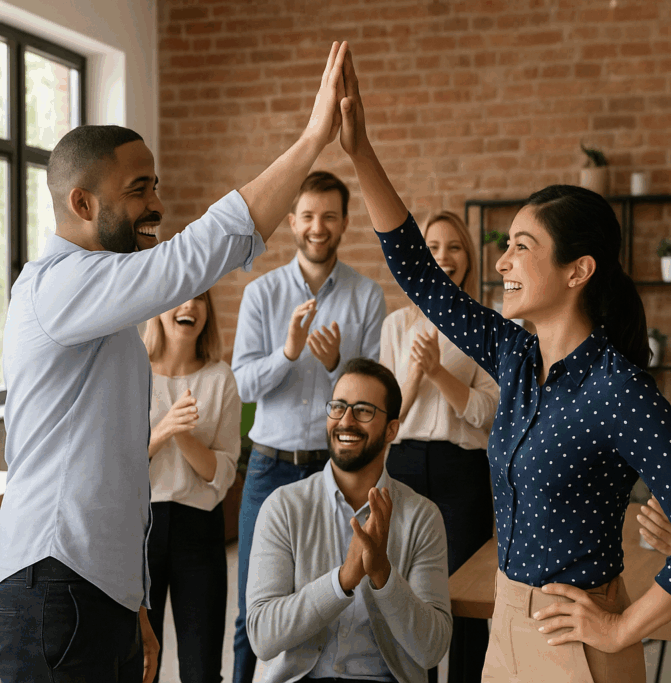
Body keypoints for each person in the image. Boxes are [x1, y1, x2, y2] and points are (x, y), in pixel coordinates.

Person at [0, 40, 350, 683]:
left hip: (90, 588)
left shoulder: (100, 307)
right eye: (139, 191)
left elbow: (112, 474)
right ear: (82, 204)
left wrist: (131, 598)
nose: (156, 206)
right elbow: (197, 254)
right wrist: (312, 141)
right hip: (52, 586)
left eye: (154, 186)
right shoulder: (58, 285)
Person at [336, 48, 671, 683]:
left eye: (522, 246)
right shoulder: (517, 356)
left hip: (578, 643)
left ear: (577, 271)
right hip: (504, 626)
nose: (502, 263)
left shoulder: (616, 388)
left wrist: (624, 627)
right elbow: (422, 278)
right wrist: (359, 152)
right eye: (506, 245)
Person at [231, 170, 386, 683]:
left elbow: (373, 394)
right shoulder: (261, 294)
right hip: (269, 467)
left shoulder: (366, 296)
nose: (318, 227)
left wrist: (339, 362)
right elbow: (244, 385)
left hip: (340, 475)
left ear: (344, 223)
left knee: (343, 598)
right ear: (292, 221)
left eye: (329, 216)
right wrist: (288, 353)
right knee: (253, 610)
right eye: (308, 216)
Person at [246, 357, 452, 683]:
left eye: (363, 410)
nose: (346, 420)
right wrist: (342, 580)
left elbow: (431, 649)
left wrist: (383, 573)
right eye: (338, 407)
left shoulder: (422, 517)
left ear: (391, 430)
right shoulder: (283, 507)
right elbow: (262, 636)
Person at [380, 210, 498, 683]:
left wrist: (438, 372)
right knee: (408, 593)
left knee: (463, 596)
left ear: (468, 257)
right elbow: (388, 416)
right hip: (404, 464)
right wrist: (414, 375)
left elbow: (490, 412)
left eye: (454, 247)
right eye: (433, 246)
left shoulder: (486, 325)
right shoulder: (394, 326)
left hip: (461, 469)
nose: (444, 256)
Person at [142, 289, 239, 683]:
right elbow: (115, 466)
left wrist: (182, 436)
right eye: (179, 296)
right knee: (139, 663)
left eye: (199, 298)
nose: (190, 306)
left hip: (199, 531)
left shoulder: (219, 378)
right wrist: (165, 429)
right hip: (139, 530)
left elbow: (223, 473)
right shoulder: (132, 370)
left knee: (202, 670)